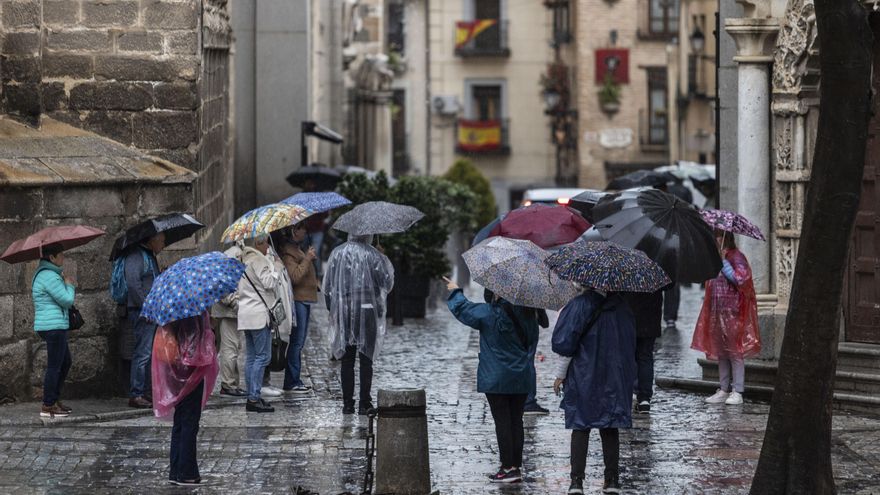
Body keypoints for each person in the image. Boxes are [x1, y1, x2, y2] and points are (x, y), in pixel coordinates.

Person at [446, 280, 539, 484]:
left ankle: (507, 467)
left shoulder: (489, 314)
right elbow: (532, 340)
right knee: (516, 420)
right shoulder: (528, 315)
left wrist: (455, 291)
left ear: (497, 294)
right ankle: (515, 466)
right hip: (521, 376)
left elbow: (464, 310)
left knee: (503, 422)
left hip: (497, 378)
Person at [552, 288, 636, 495]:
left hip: (584, 375)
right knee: (610, 425)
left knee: (581, 425)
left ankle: (576, 482)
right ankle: (612, 479)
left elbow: (565, 343)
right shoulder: (623, 308)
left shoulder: (579, 305)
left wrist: (560, 375)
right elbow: (631, 343)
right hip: (614, 376)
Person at [323, 234, 394, 415]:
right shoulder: (373, 256)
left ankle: (348, 404)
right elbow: (386, 282)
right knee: (365, 358)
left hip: (344, 310)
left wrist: (333, 309)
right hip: (367, 309)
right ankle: (364, 403)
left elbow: (328, 286)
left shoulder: (337, 254)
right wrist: (382, 258)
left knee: (347, 360)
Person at [691, 230, 761, 405]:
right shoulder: (717, 257)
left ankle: (738, 390)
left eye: (718, 236)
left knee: (734, 352)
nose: (716, 239)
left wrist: (726, 265)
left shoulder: (736, 257)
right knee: (722, 352)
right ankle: (723, 388)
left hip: (732, 312)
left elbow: (742, 280)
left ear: (725, 238)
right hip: (718, 312)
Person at [152, 312, 219, 486]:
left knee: (180, 421)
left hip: (175, 369)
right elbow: (195, 347)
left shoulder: (171, 309)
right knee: (189, 421)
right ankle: (186, 472)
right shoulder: (193, 311)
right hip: (190, 371)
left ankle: (176, 470)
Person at [238, 235, 285, 413]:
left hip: (246, 315)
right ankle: (253, 397)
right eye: (266, 243)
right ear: (259, 243)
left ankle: (253, 395)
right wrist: (277, 268)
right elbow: (269, 282)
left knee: (251, 357)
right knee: (262, 357)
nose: (268, 247)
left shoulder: (244, 260)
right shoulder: (259, 260)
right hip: (258, 316)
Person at [32, 244, 76, 418]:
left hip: (53, 325)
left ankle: (54, 399)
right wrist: (69, 285)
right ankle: (48, 404)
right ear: (51, 257)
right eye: (61, 254)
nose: (63, 257)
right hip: (53, 326)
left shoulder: (47, 274)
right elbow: (67, 300)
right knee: (55, 366)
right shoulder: (49, 276)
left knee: (65, 362)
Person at [278, 224, 319, 394]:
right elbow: (294, 277)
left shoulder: (297, 249)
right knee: (297, 342)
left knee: (299, 342)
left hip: (305, 300)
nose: (306, 232)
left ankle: (295, 379)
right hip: (298, 301)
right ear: (295, 231)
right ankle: (292, 381)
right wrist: (307, 259)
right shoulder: (288, 252)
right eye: (303, 229)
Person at [126, 232, 164, 409]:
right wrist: (146, 307)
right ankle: (136, 393)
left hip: (151, 311)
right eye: (161, 239)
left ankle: (147, 391)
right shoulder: (136, 257)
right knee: (142, 353)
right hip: (142, 312)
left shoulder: (150, 257)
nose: (163, 243)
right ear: (151, 239)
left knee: (149, 354)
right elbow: (134, 284)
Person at [212, 244, 246, 397]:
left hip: (229, 311)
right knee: (230, 348)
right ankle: (228, 384)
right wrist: (234, 302)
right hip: (228, 311)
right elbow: (223, 284)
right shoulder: (233, 256)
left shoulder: (235, 253)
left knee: (233, 347)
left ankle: (232, 382)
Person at [622, 290, 663, 414]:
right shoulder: (657, 271)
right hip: (650, 314)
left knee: (627, 356)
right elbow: (669, 284)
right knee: (645, 356)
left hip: (628, 314)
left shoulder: (627, 271)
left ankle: (629, 394)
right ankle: (644, 399)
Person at [661, 179, 692, 331]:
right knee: (670, 285)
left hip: (668, 248)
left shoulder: (673, 207)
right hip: (666, 248)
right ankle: (669, 317)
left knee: (670, 284)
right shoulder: (675, 206)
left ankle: (669, 316)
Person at [524, 308, 551, 415]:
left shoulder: (506, 292)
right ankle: (528, 402)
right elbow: (544, 323)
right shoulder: (533, 293)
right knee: (528, 362)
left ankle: (515, 398)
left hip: (508, 326)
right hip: (529, 325)